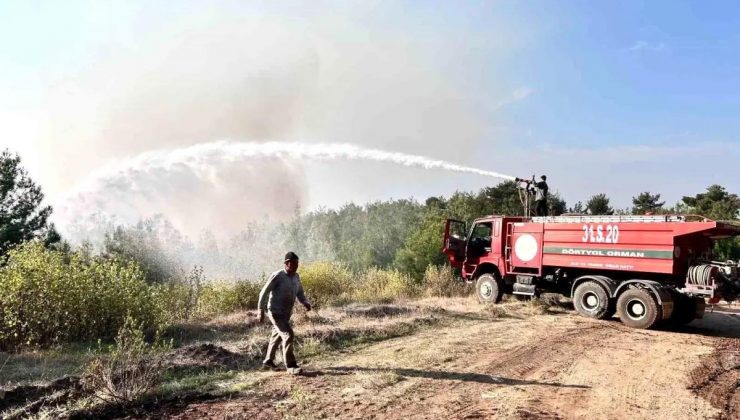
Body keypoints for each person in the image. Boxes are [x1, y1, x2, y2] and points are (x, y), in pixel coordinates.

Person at [258, 251, 312, 374]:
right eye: (294, 263)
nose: (296, 266)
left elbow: (300, 292)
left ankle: (268, 360)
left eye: (297, 263)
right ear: (287, 263)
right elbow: (263, 292)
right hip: (275, 312)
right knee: (288, 335)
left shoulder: (296, 277)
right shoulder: (278, 275)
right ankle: (291, 366)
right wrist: (260, 310)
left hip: (286, 313)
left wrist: (305, 302)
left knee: (276, 335)